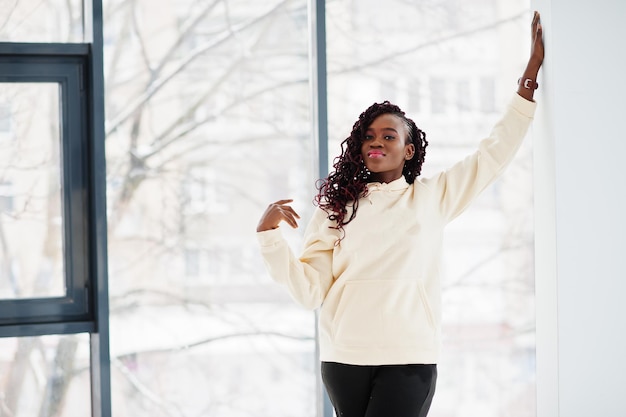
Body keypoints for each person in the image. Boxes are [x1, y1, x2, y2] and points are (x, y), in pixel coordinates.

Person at [256, 11, 544, 417]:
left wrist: (527, 82)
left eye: (389, 135)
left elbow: (491, 155)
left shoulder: (433, 197)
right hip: (345, 358)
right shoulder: (336, 209)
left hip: (409, 355)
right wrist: (270, 240)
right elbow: (310, 291)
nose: (377, 142)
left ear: (409, 150)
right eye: (369, 137)